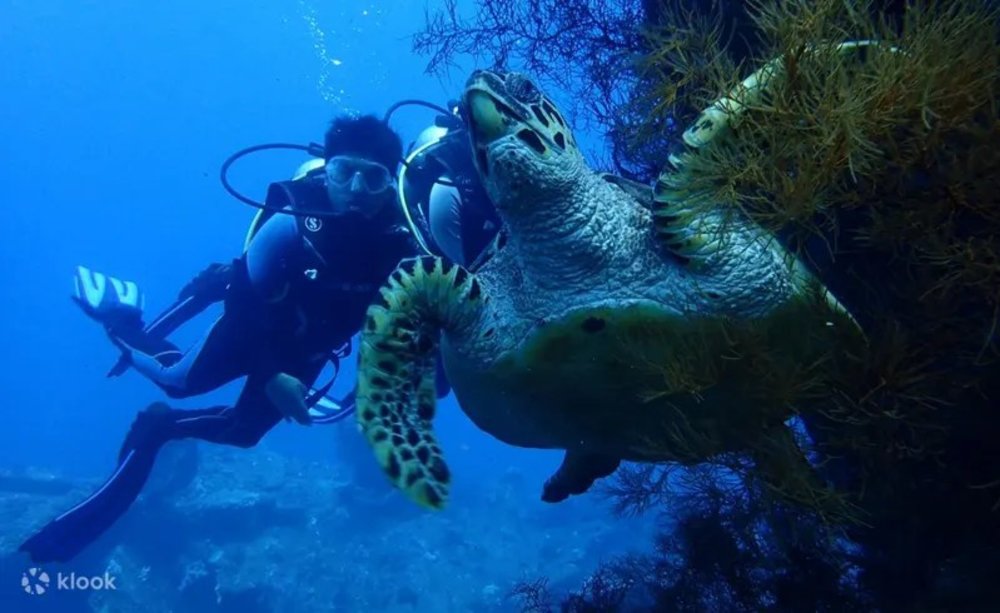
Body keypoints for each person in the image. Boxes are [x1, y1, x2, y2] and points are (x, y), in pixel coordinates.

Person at [20, 114, 424, 564]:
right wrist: (270, 374)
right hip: (254, 318)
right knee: (177, 381)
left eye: (373, 177)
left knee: (245, 433)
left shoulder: (404, 243)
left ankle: (162, 426)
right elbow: (247, 298)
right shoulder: (294, 216)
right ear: (326, 169)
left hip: (310, 345)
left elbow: (410, 320)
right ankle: (120, 318)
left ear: (391, 185)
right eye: (343, 171)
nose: (355, 189)